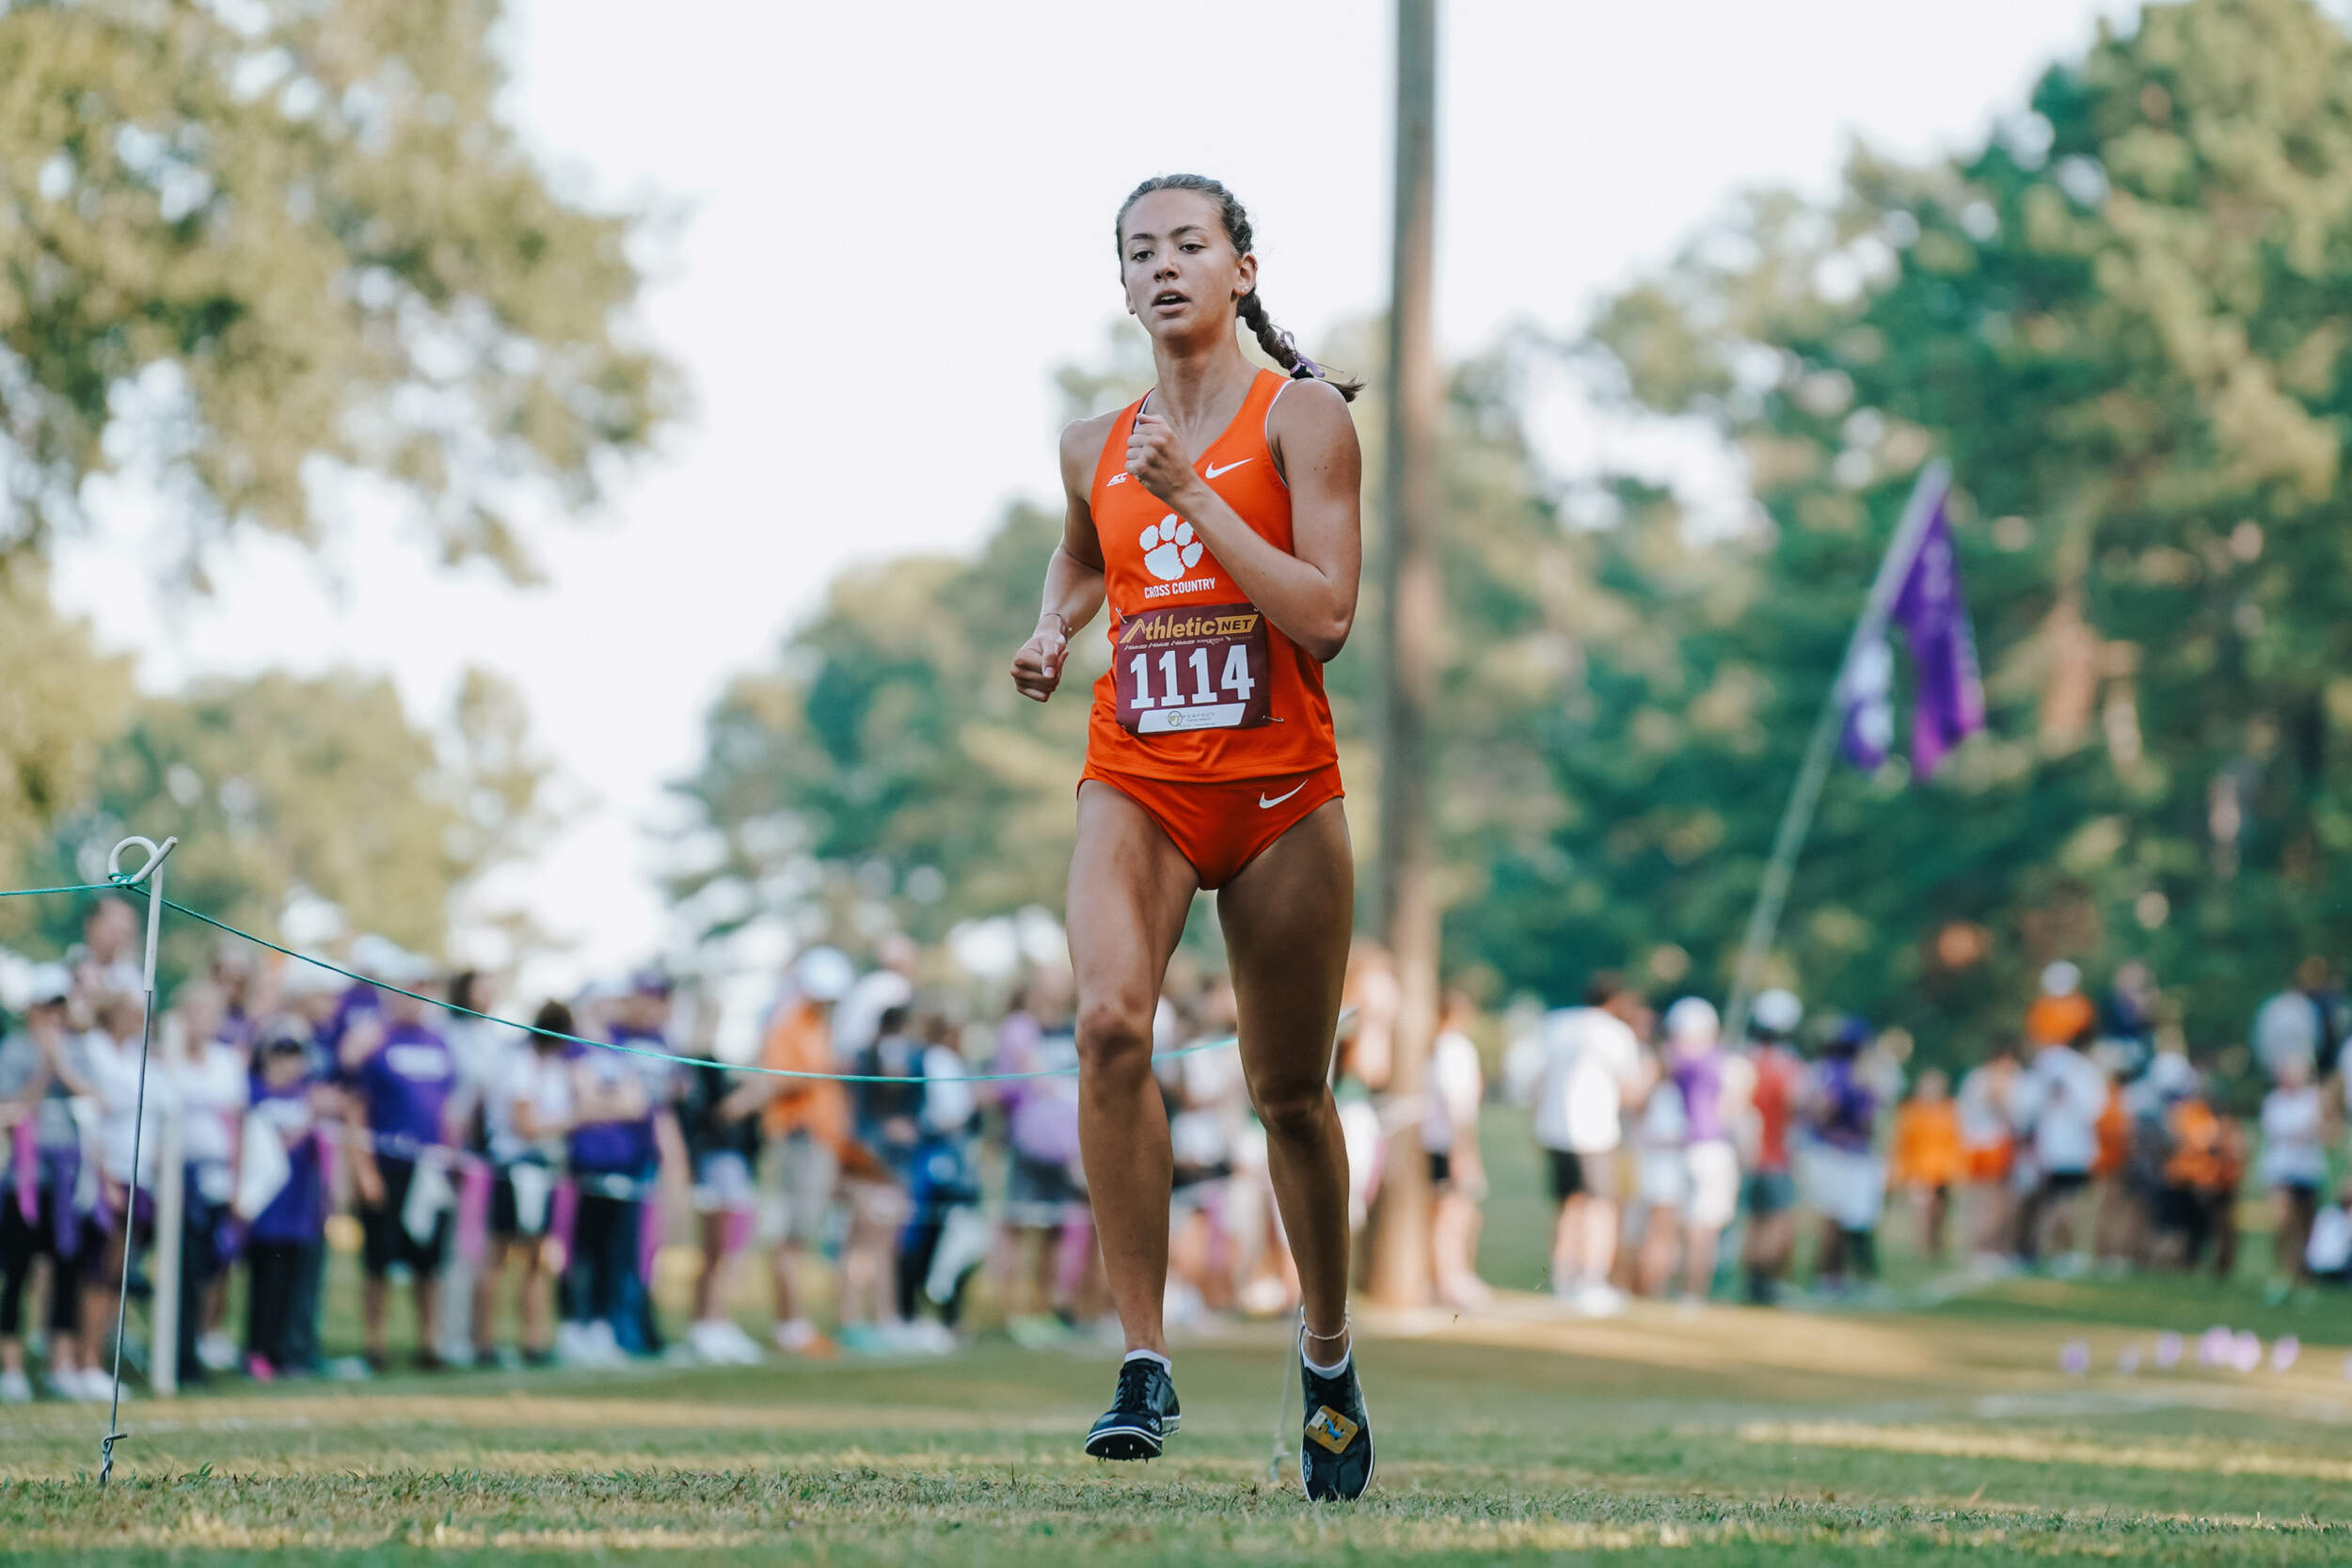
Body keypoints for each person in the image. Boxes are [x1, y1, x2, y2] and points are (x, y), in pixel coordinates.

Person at [1005, 172, 1372, 1497]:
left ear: (1240, 270)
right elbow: (1087, 552)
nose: (1162, 266)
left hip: (1279, 793)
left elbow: (1326, 616)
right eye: (1139, 252)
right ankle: (1144, 1356)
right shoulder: (1090, 443)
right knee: (1110, 1024)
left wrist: (1197, 497)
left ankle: (1327, 1357)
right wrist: (1055, 625)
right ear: (1122, 285)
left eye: (1187, 245)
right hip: (1139, 780)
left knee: (1290, 1095)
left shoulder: (1304, 418)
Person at [724, 945, 855, 1357]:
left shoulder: (816, 1024)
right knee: (790, 1235)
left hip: (818, 1140)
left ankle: (795, 1323)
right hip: (798, 1139)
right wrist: (823, 1072)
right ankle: (790, 1325)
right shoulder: (789, 1022)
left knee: (801, 1234)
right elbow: (777, 1078)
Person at [342, 958, 457, 1373]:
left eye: (422, 989)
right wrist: (364, 1170)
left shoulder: (439, 1044)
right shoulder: (374, 1042)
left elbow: (446, 1108)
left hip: (430, 1167)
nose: (415, 997)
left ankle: (430, 1343)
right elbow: (356, 1108)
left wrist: (450, 1158)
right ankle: (374, 1344)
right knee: (379, 1261)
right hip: (386, 1164)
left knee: (429, 1261)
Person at [0, 969, 93, 1402]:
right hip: (25, 1181)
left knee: (68, 1271)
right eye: (47, 1007)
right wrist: (44, 1069)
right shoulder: (14, 1049)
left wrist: (62, 1065)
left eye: (61, 1007)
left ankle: (62, 1364)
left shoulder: (77, 1049)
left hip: (68, 1182)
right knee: (17, 1272)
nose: (55, 1016)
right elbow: (11, 1107)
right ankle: (12, 1368)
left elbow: (92, 1099)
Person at [1535, 976, 1642, 1316]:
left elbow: (1536, 1079)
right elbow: (1631, 1091)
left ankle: (1564, 1279)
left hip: (1554, 1128)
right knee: (1600, 1209)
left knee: (1568, 1206)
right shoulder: (1615, 1033)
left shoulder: (1557, 1025)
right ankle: (1592, 1281)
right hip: (1594, 1132)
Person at [481, 1001, 574, 1369]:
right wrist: (577, 1118)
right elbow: (526, 1126)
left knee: (537, 1257)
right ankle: (484, 1341)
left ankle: (532, 1341)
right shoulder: (518, 1065)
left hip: (542, 1168)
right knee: (499, 1255)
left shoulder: (555, 1069)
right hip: (514, 1166)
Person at [242, 1022, 329, 1380]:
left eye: (293, 1056)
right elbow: (271, 1149)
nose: (287, 1064)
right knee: (266, 1283)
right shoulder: (255, 1095)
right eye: (279, 1056)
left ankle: (286, 1352)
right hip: (266, 1210)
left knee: (295, 1284)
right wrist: (309, 1119)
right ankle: (257, 1350)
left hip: (300, 1209)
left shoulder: (305, 1095)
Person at [1804, 1017, 1883, 1294]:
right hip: (1837, 1153)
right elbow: (1826, 1109)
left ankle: (1838, 1277)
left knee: (1848, 1219)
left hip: (1845, 1152)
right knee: (1835, 1218)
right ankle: (1828, 1277)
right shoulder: (1842, 1073)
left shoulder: (1839, 1070)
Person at [1737, 989, 1804, 1305]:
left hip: (1748, 1154)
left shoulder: (1744, 1060)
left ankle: (1753, 1282)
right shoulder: (1786, 1067)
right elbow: (1796, 1105)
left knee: (1754, 1221)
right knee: (1775, 1221)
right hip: (1774, 1153)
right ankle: (1763, 1283)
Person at [1423, 990, 1490, 1311]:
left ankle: (1449, 1278)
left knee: (1454, 1213)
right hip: (1448, 1142)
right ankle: (1451, 1280)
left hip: (1437, 1140)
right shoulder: (1454, 1048)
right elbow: (1456, 1105)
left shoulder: (1436, 1046)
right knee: (1454, 1215)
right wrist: (1463, 1151)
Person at [2258, 1053, 2329, 1302]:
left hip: (2308, 1171)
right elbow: (2280, 1131)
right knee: (2283, 1224)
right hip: (2281, 1171)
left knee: (2306, 1229)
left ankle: (2302, 1277)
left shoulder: (2313, 1099)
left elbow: (2326, 1129)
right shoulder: (2274, 1101)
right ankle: (2282, 1274)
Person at [1887, 1069, 1965, 1263]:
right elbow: (1902, 1143)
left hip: (1943, 1170)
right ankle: (1923, 1250)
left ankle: (1936, 1247)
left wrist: (1958, 1168)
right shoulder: (1911, 1111)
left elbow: (1957, 1140)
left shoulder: (1949, 1110)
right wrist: (1900, 1171)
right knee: (1922, 1213)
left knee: (1940, 1212)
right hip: (1919, 1169)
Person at [1955, 1037, 2020, 1263]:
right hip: (1988, 1145)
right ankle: (1982, 1248)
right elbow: (1996, 1107)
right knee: (1988, 1200)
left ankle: (1992, 1248)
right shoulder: (1986, 1079)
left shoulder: (1977, 1078)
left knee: (1995, 1200)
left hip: (1988, 1145)